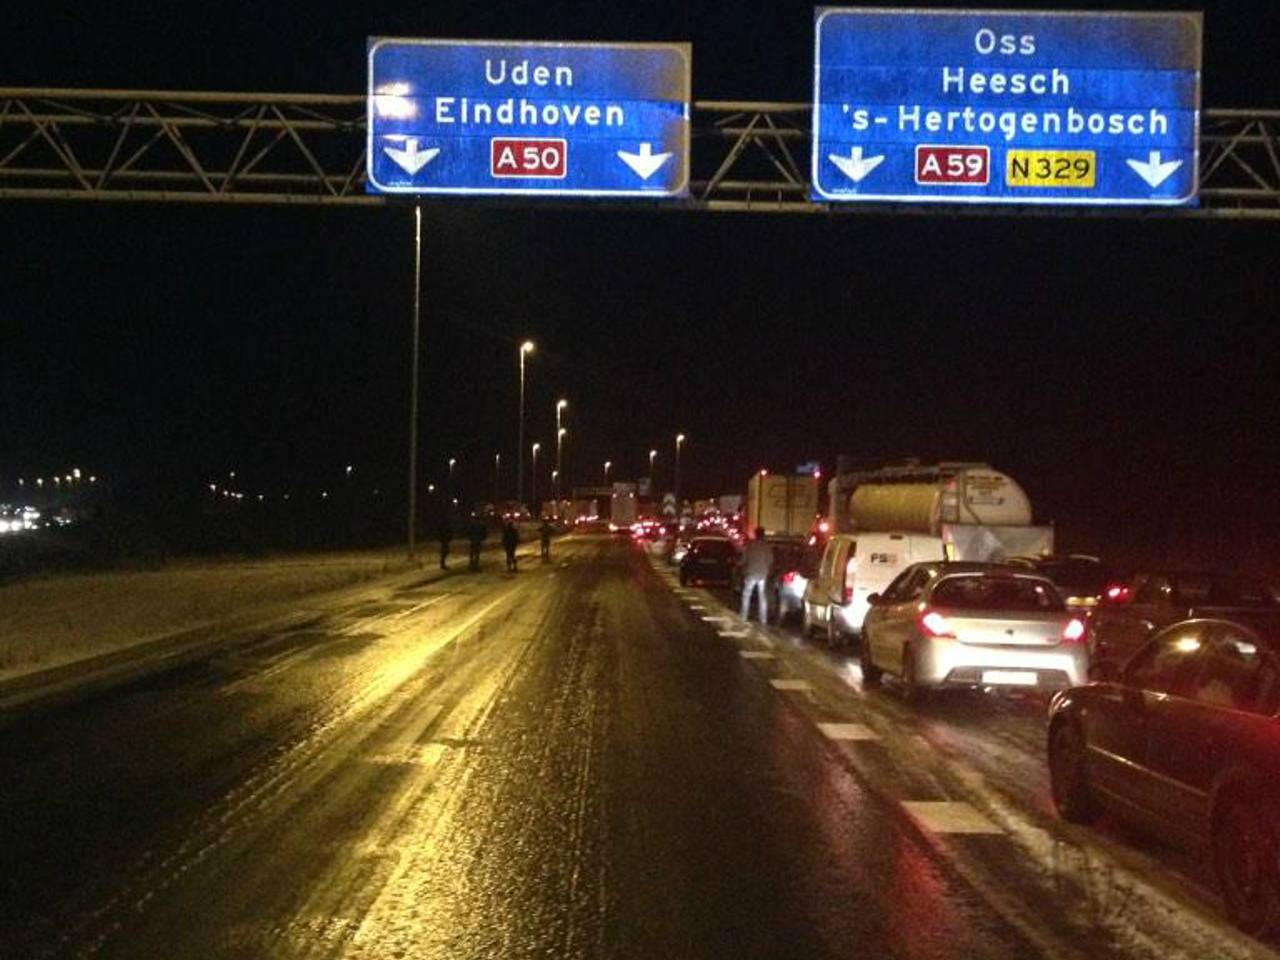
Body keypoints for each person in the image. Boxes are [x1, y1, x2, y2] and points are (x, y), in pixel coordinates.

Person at [740, 526, 773, 624]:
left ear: (756, 534)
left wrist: (741, 565)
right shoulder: (767, 546)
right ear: (763, 534)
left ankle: (743, 616)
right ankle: (763, 619)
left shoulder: (750, 545)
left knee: (746, 595)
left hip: (751, 573)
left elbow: (744, 559)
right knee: (762, 596)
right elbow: (770, 560)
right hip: (763, 574)